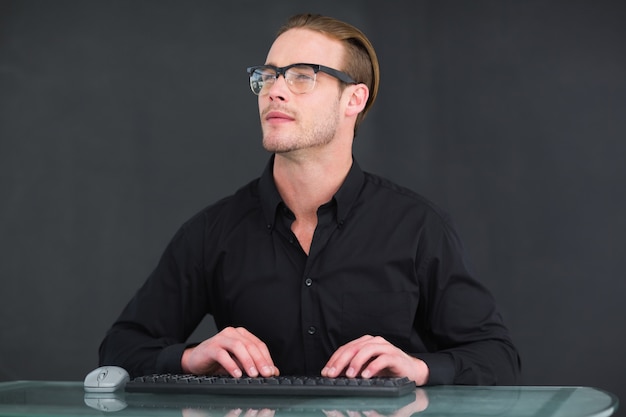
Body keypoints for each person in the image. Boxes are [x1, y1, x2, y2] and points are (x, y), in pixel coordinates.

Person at [99, 13, 521, 386]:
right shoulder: (212, 232)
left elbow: (497, 358)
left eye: (302, 75)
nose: (274, 91)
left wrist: (418, 369)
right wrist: (188, 359)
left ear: (354, 99)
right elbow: (120, 348)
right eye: (268, 75)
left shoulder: (418, 227)